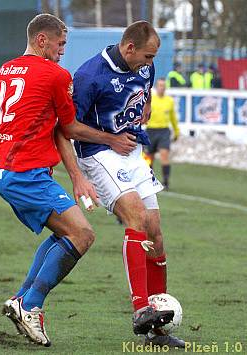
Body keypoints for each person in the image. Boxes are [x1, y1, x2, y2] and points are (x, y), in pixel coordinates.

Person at [0, 13, 141, 347]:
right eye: (60, 43)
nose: (62, 51)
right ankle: (31, 305)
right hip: (24, 172)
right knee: (83, 235)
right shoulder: (56, 75)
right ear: (42, 40)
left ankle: (21, 299)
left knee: (66, 231)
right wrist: (110, 140)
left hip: (5, 170)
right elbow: (68, 128)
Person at [72, 21, 185, 348]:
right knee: (135, 216)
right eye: (147, 56)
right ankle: (141, 310)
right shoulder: (89, 76)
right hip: (98, 154)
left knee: (155, 231)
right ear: (129, 48)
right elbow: (69, 127)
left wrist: (142, 111)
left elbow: (144, 98)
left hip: (132, 152)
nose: (150, 64)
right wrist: (110, 138)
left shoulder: (145, 69)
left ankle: (159, 329)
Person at [145, 78, 180, 190]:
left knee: (164, 155)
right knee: (149, 157)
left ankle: (166, 182)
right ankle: (149, 180)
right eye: (160, 85)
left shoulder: (169, 101)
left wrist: (176, 131)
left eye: (164, 85)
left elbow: (173, 117)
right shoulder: (151, 100)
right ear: (156, 87)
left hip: (164, 131)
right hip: (151, 130)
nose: (162, 87)